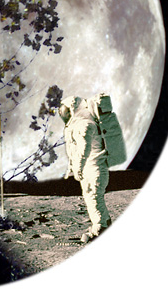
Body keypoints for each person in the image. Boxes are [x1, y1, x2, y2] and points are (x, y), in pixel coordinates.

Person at [59, 96, 112, 243]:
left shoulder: (85, 125)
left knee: (94, 198)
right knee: (92, 198)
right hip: (92, 168)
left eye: (65, 112)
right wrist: (72, 167)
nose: (63, 115)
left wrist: (78, 168)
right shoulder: (81, 124)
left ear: (73, 110)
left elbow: (84, 149)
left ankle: (100, 229)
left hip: (94, 169)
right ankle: (104, 223)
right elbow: (75, 150)